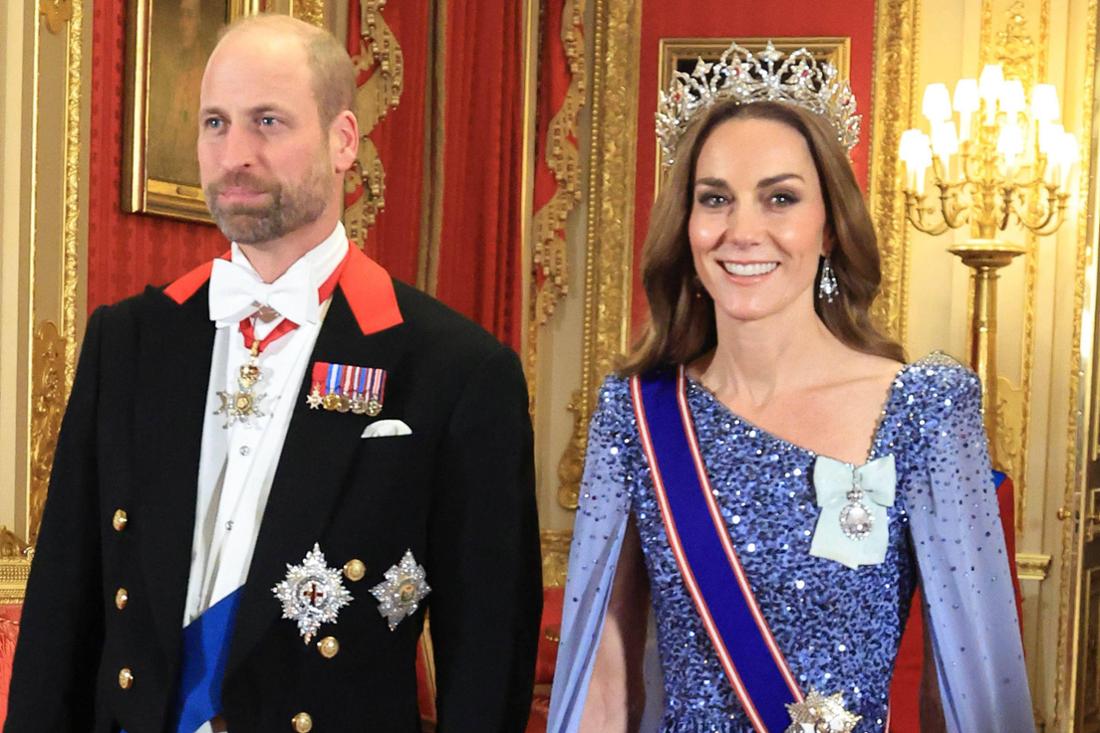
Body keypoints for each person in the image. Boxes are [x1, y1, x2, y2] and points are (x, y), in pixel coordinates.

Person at [6, 14, 541, 733]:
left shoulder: (455, 372)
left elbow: (486, 664)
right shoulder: (129, 341)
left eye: (268, 122)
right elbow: (59, 618)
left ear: (344, 140)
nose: (236, 154)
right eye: (215, 124)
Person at [547, 42, 1033, 733]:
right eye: (716, 199)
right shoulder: (637, 413)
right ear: (686, 228)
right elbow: (607, 676)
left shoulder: (924, 406)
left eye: (780, 198)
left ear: (829, 226)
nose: (743, 231)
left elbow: (965, 689)